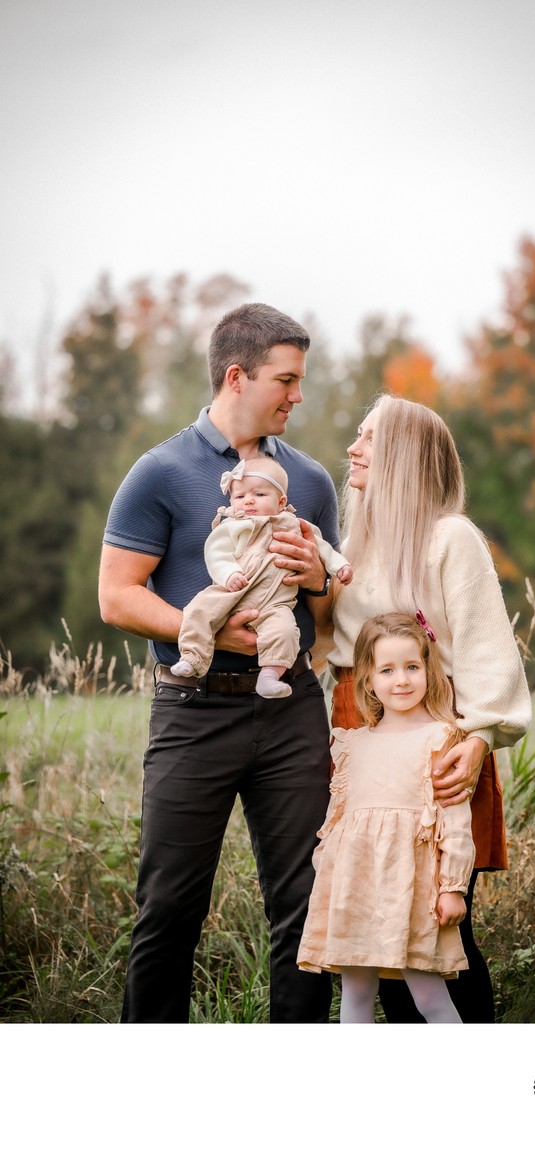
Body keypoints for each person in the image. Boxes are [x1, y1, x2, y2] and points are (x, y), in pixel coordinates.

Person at [98, 302, 342, 1024]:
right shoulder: (161, 471)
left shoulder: (312, 483)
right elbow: (115, 596)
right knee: (169, 906)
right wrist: (212, 633)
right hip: (193, 709)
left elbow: (324, 624)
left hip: (292, 708)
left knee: (304, 909)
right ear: (237, 375)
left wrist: (317, 578)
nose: (298, 395)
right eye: (287, 380)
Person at [311, 392, 532, 1023]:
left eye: (368, 438)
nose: (352, 448)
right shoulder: (354, 543)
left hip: (436, 732)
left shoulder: (449, 537)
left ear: (404, 456)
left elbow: (487, 647)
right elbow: (330, 644)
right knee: (376, 929)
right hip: (363, 729)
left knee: (437, 929)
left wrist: (479, 738)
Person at [298, 613, 476, 1024]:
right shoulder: (352, 744)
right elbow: (336, 823)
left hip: (412, 892)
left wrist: (453, 888)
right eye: (388, 669)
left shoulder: (442, 738)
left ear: (429, 671)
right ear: (368, 677)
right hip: (354, 889)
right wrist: (326, 880)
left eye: (412, 667)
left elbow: (455, 823)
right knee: (357, 992)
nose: (401, 680)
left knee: (429, 996)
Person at [171, 455, 352, 697]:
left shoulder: (294, 526)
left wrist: (339, 566)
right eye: (240, 496)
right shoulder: (232, 526)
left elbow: (322, 549)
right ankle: (192, 656)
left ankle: (270, 676)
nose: (248, 502)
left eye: (259, 495)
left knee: (286, 631)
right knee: (200, 608)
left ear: (281, 501)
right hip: (232, 592)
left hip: (275, 604)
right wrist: (229, 573)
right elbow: (216, 553)